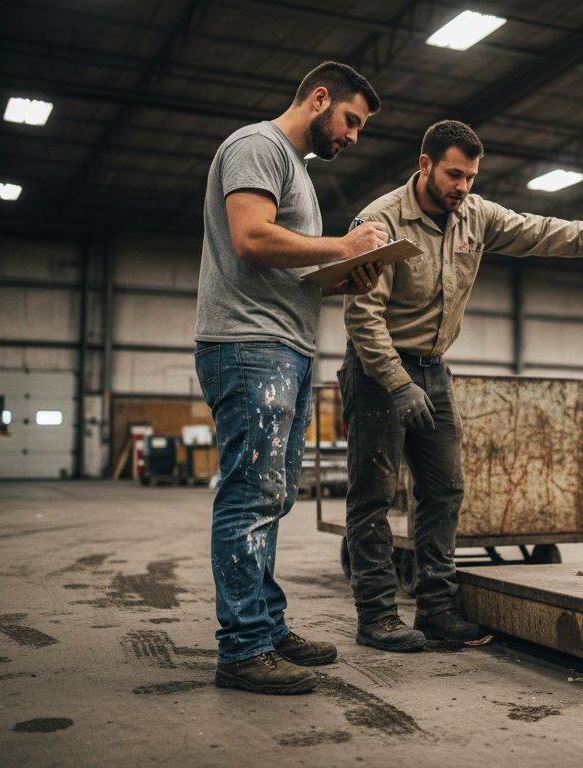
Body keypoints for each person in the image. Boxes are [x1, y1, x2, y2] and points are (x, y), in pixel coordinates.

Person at [340, 119, 583, 651]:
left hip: (434, 369)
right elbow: (363, 316)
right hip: (378, 373)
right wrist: (398, 384)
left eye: (469, 176)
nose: (462, 187)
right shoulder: (380, 222)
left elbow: (539, 230)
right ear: (424, 165)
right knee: (372, 497)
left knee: (444, 490)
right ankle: (376, 617)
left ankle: (436, 609)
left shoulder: (474, 214)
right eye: (453, 175)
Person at [193, 61, 389, 695]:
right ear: (320, 98)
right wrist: (343, 247)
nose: (354, 135)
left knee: (272, 496)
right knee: (250, 496)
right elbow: (250, 238)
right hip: (251, 346)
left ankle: (266, 627)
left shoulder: (297, 172)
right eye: (351, 120)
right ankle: (243, 648)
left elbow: (288, 266)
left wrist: (343, 274)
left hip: (286, 346)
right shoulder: (258, 146)